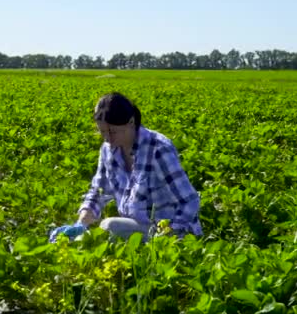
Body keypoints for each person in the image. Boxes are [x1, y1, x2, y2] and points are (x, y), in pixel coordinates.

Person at [49, 92, 203, 243]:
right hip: (138, 228)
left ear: (131, 123)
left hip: (173, 232)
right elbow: (98, 191)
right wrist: (81, 223)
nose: (107, 138)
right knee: (84, 237)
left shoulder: (158, 148)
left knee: (109, 227)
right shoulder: (108, 150)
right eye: (102, 131)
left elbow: (190, 201)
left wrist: (168, 234)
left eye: (113, 131)